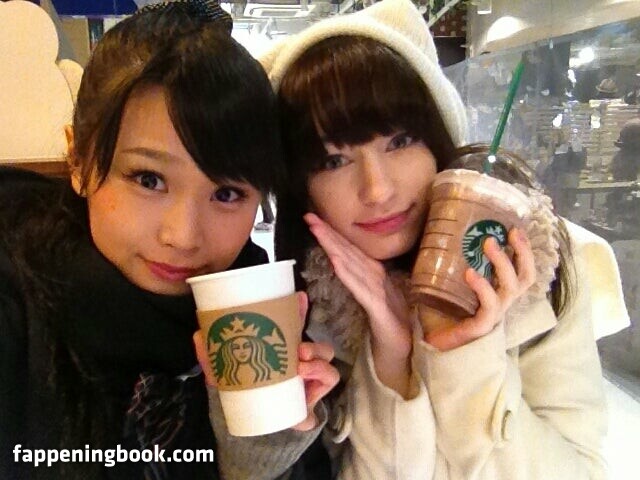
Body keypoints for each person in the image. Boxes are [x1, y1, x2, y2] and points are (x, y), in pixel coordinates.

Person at [261, 0, 610, 478]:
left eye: (400, 141)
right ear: (301, 188)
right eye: (333, 161)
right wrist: (391, 353)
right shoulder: (312, 310)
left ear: (439, 139)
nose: (377, 190)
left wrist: (467, 357)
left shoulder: (533, 266)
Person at [0, 2, 338, 479]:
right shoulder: (17, 303)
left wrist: (262, 455)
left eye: (226, 193)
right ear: (79, 162)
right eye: (149, 179)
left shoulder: (261, 317)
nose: (182, 237)